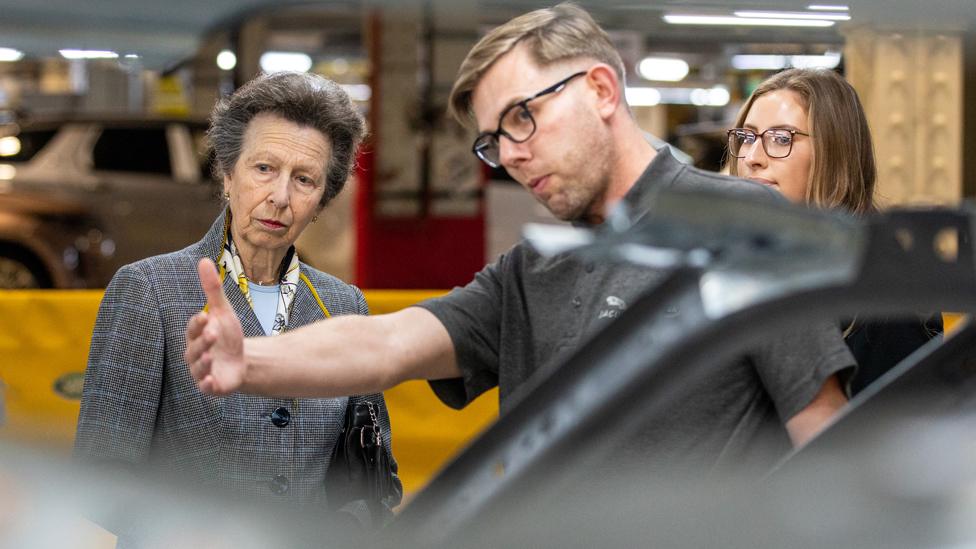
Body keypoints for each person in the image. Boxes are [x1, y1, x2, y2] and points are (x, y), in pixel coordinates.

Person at [186, 4, 854, 473]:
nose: (512, 154)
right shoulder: (534, 270)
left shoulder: (748, 227)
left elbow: (824, 441)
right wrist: (255, 361)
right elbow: (387, 342)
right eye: (493, 141)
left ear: (600, 88)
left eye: (523, 118)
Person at [74, 72, 401, 540]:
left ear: (322, 201)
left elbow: (373, 480)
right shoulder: (149, 291)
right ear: (228, 175)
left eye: (304, 179)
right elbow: (100, 472)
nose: (280, 197)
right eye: (263, 168)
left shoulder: (342, 305)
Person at [727, 67, 942, 394]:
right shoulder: (743, 259)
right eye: (747, 137)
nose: (752, 158)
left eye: (781, 138)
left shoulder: (883, 284)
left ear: (833, 152)